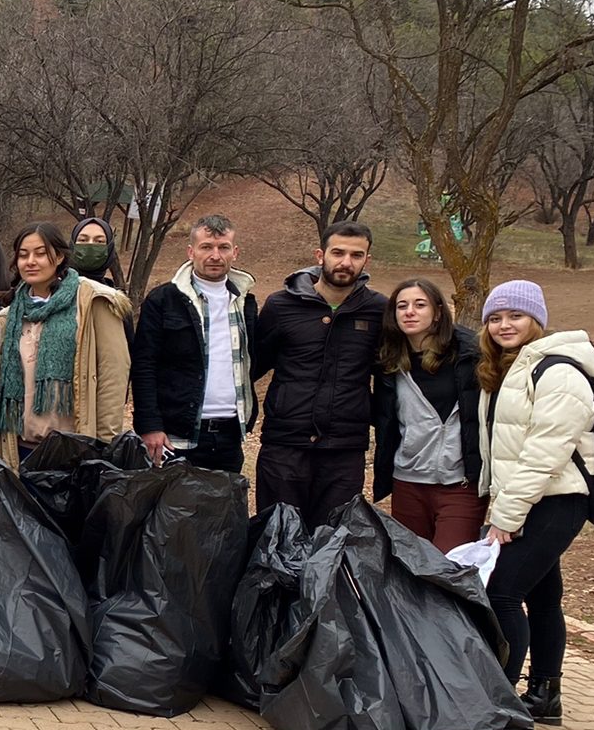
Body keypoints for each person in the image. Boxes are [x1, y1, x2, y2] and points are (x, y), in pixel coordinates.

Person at [477, 279, 594, 726]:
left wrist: (506, 516)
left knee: (501, 594)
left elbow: (544, 452)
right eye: (495, 318)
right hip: (530, 497)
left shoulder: (558, 372)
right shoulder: (510, 368)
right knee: (544, 596)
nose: (504, 325)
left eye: (516, 316)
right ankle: (545, 695)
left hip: (554, 501)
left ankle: (498, 706)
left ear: (538, 320)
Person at [251, 221, 386, 526]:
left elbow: (390, 372)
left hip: (344, 451)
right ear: (320, 254)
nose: (346, 262)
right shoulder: (281, 305)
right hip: (285, 446)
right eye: (338, 253)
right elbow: (252, 366)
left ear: (367, 260)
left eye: (356, 255)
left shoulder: (378, 310)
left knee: (332, 541)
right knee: (276, 536)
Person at [0, 222, 133, 465]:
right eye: (23, 255)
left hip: (76, 449)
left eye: (40, 253)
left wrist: (104, 445)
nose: (30, 261)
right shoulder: (9, 317)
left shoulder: (92, 301)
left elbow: (112, 374)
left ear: (60, 256)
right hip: (18, 448)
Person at [130, 213, 257, 473]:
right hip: (176, 437)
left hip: (229, 435)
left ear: (235, 253)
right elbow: (144, 365)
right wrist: (150, 425)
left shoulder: (245, 303)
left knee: (226, 500)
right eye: (206, 247)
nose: (215, 256)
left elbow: (254, 360)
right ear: (191, 252)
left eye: (223, 248)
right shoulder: (163, 300)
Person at [373, 277, 483, 553]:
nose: (409, 312)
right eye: (402, 306)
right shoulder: (388, 361)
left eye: (420, 305)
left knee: (450, 565)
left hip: (460, 483)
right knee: (412, 566)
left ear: (437, 312)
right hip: (408, 482)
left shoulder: (470, 354)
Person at [68, 215, 126, 290]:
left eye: (99, 241)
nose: (90, 244)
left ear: (109, 247)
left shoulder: (113, 295)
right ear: (72, 245)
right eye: (83, 240)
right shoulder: (54, 289)